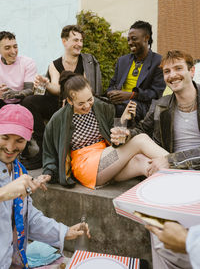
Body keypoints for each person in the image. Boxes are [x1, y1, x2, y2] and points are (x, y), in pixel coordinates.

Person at [112, 50, 200, 268]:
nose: (173, 75)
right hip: (168, 178)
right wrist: (126, 133)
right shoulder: (161, 104)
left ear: (192, 70)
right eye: (167, 71)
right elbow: (142, 129)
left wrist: (172, 159)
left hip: (191, 174)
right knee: (159, 237)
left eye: (178, 68)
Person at [42, 71, 168, 190]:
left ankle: (178, 182)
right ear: (69, 101)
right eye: (81, 103)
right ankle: (177, 161)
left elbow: (114, 135)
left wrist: (123, 119)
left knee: (142, 162)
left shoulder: (100, 106)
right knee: (140, 140)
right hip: (87, 166)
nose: (86, 106)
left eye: (89, 99)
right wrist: (48, 173)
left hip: (108, 161)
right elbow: (49, 152)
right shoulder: (58, 119)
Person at [0, 104, 90, 268]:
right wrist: (3, 193)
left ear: (29, 139)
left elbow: (27, 216)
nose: (10, 147)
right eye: (5, 137)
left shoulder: (19, 170)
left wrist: (64, 232)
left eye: (19, 141)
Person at [21, 25, 102, 170]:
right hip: (60, 103)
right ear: (65, 41)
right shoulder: (55, 64)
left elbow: (87, 89)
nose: (80, 44)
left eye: (81, 40)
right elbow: (56, 88)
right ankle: (41, 150)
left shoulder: (87, 62)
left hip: (81, 104)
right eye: (75, 40)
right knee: (29, 101)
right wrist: (45, 84)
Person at [107, 20, 165, 120]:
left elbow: (156, 93)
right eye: (128, 39)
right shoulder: (122, 61)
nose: (130, 43)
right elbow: (112, 85)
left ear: (146, 38)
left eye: (134, 39)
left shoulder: (158, 61)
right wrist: (112, 93)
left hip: (142, 105)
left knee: (123, 107)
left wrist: (132, 95)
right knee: (96, 104)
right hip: (119, 102)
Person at [0, 31, 37, 108]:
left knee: (29, 100)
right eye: (7, 48)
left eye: (15, 47)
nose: (13, 52)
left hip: (21, 102)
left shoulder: (27, 62)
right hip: (2, 102)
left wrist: (14, 94)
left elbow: (30, 90)